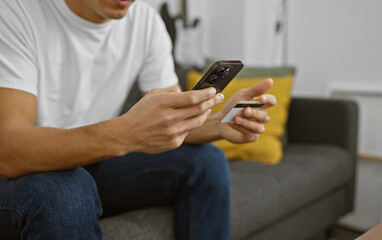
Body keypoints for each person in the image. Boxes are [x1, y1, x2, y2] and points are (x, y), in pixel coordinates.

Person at [0, 0, 276, 239]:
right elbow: (9, 150)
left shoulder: (145, 22)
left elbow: (172, 121)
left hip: (93, 162)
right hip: (23, 175)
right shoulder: (16, 12)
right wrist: (125, 134)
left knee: (207, 161)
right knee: (64, 191)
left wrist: (220, 123)